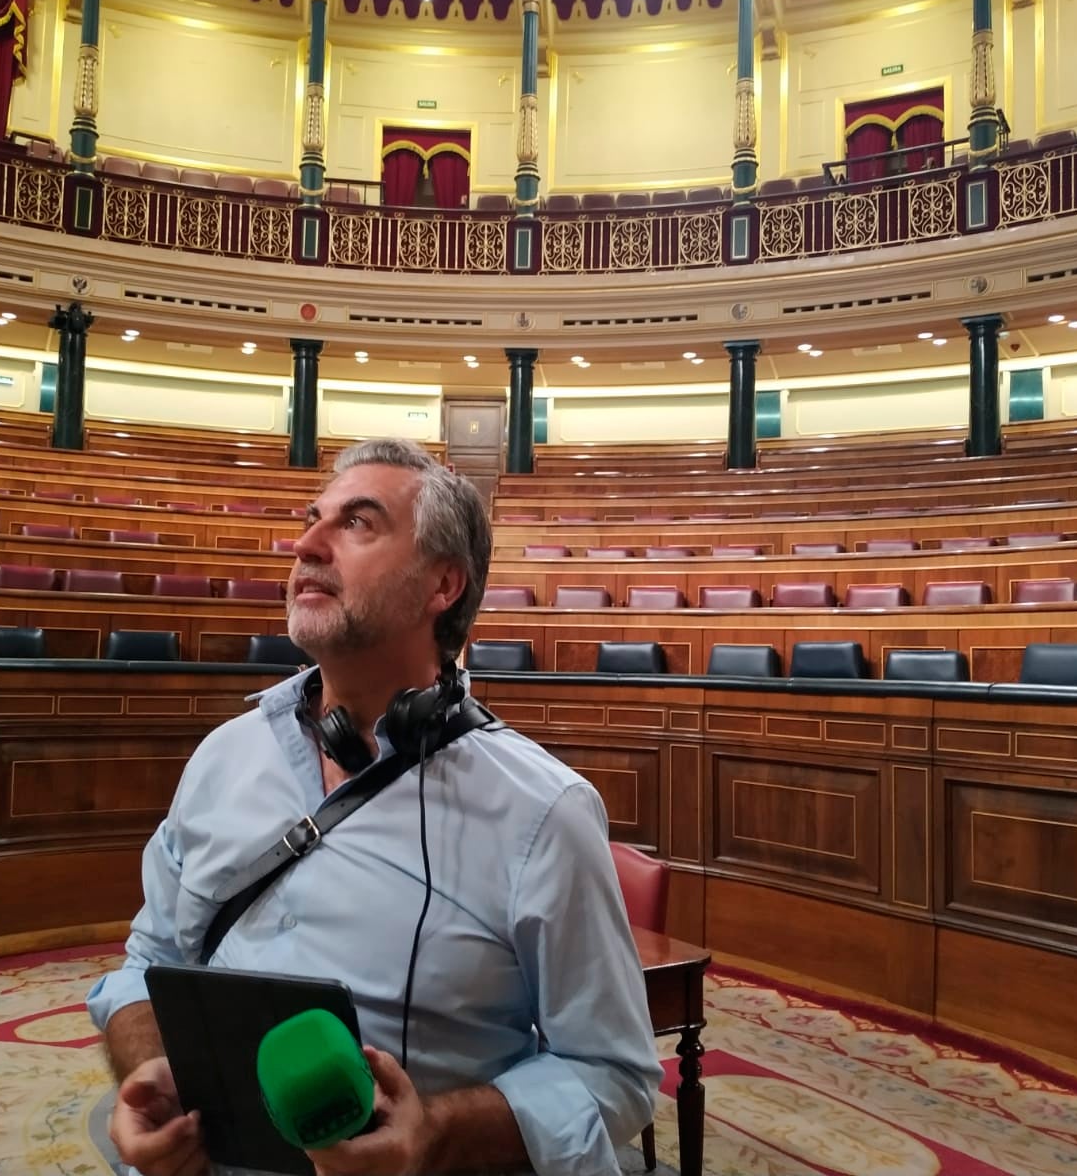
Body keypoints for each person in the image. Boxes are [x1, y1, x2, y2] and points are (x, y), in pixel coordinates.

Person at [87, 438, 663, 1176]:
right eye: (311, 519)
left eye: (357, 524)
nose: (306, 545)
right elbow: (149, 963)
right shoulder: (222, 757)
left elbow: (612, 1076)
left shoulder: (544, 812)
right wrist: (146, 1070)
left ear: (442, 585)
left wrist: (436, 1135)